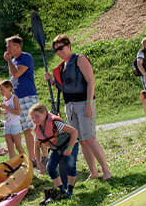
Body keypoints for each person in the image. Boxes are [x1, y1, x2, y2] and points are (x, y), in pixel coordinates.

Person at [45, 34, 112, 180]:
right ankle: (93, 172)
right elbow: (65, 88)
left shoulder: (79, 59)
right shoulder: (62, 66)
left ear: (68, 45)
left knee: (89, 138)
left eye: (61, 48)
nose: (59, 52)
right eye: (56, 50)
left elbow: (90, 81)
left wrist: (89, 103)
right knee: (81, 140)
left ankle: (106, 170)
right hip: (70, 106)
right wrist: (52, 82)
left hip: (83, 103)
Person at [29, 102, 79, 203]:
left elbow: (74, 132)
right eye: (32, 118)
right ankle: (61, 190)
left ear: (45, 114)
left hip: (71, 144)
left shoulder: (55, 123)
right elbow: (36, 148)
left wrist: (69, 148)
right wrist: (38, 163)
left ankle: (70, 191)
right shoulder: (38, 130)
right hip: (57, 149)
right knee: (50, 168)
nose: (34, 120)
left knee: (70, 166)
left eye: (37, 117)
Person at [3, 35, 38, 171]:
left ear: (18, 46)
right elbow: (12, 79)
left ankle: (42, 157)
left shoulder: (25, 57)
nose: (7, 48)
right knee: (26, 130)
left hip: (28, 97)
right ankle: (33, 159)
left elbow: (16, 74)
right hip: (18, 98)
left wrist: (9, 62)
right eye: (7, 46)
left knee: (34, 128)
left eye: (9, 46)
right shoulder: (12, 60)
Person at [0, 79, 25, 161]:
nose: (1, 91)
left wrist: (7, 108)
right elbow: (4, 115)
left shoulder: (14, 98)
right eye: (0, 89)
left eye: (2, 89)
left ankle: (27, 163)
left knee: (18, 146)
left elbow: (18, 112)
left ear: (9, 88)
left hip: (15, 125)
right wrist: (1, 112)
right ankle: (13, 165)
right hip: (7, 125)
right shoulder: (3, 99)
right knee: (9, 147)